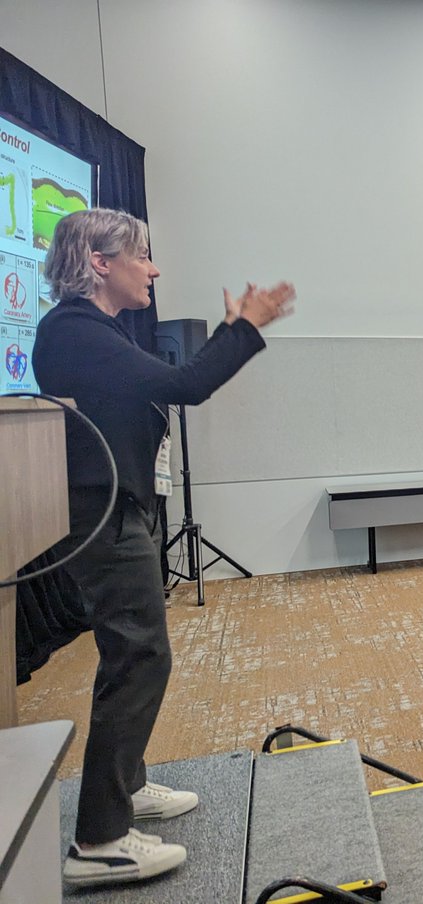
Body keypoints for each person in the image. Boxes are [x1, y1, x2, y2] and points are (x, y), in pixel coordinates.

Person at [32, 209, 295, 887]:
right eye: (141, 257)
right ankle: (100, 842)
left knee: (133, 654)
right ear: (98, 261)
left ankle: (126, 786)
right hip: (104, 518)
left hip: (125, 512)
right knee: (140, 656)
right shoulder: (72, 330)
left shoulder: (97, 332)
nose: (153, 270)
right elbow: (186, 386)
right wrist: (245, 327)